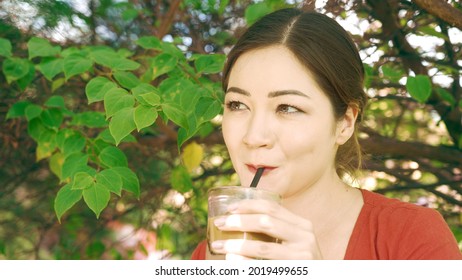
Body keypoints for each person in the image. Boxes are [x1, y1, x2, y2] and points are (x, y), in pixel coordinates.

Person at [190, 8, 462, 260]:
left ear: (344, 123)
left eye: (287, 108)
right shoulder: (215, 251)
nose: (254, 136)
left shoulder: (413, 238)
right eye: (237, 105)